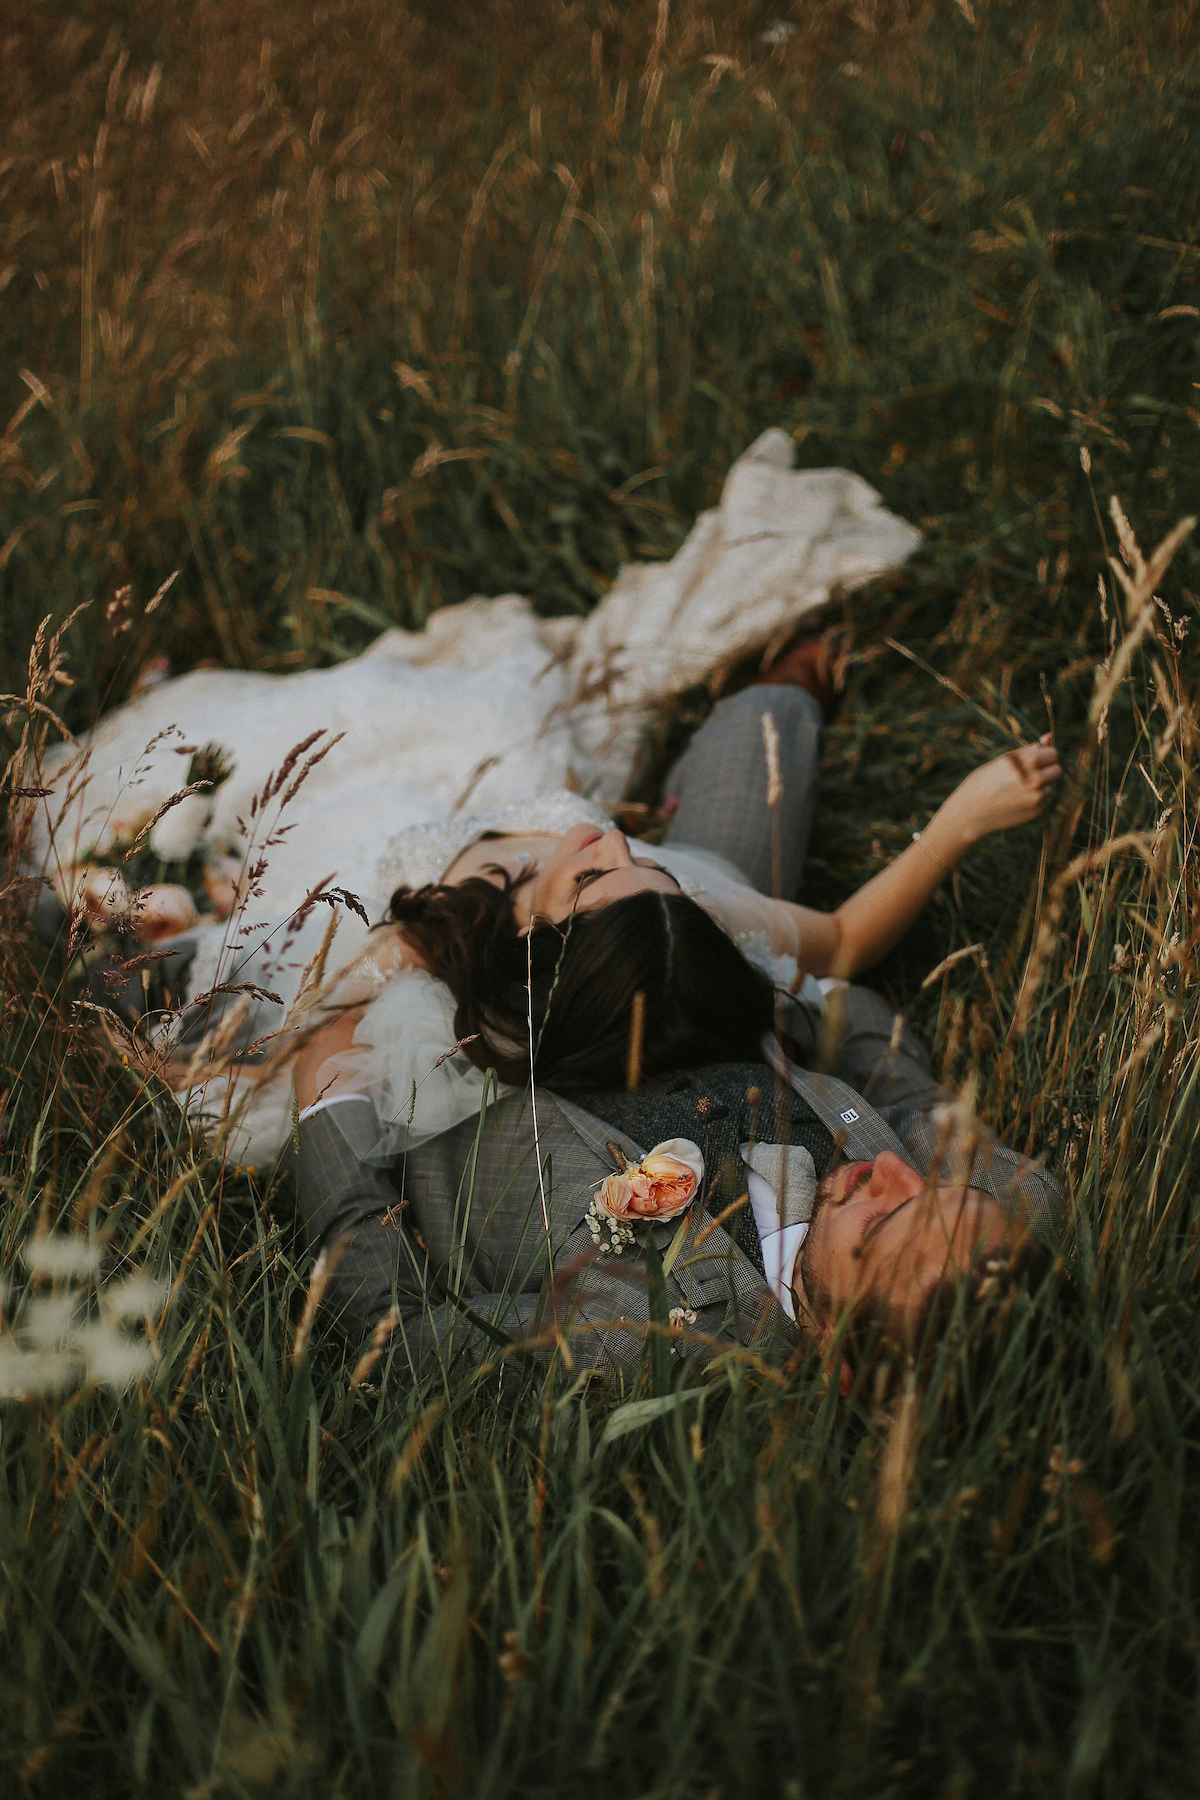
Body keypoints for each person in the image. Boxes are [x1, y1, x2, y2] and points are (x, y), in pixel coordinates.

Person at [290, 667, 1066, 1385]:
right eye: (934, 1188)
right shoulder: (1003, 1212)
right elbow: (899, 1079)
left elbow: (388, 1335)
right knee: (772, 710)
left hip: (474, 1022)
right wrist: (809, 991)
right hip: (677, 958)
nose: (896, 1170)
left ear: (838, 1351)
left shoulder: (640, 1340)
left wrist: (328, 1096)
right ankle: (748, 716)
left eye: (882, 1218)